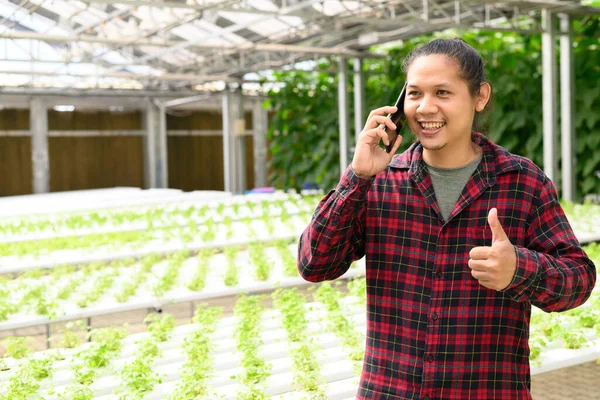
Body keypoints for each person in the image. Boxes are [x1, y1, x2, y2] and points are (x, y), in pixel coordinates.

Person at [297, 38, 596, 400]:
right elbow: (314, 264)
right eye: (414, 94)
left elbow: (578, 279)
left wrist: (519, 269)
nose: (425, 108)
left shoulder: (521, 181)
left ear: (479, 96)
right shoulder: (377, 181)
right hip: (390, 391)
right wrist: (357, 177)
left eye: (442, 92)